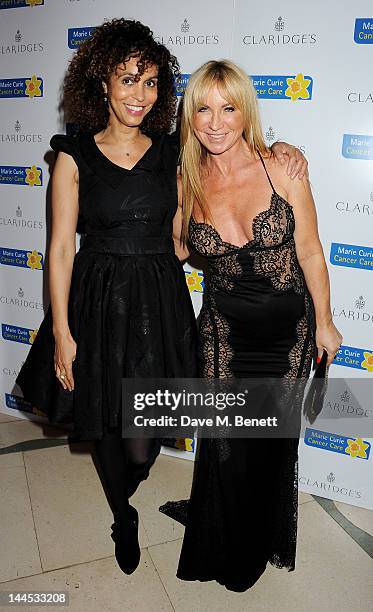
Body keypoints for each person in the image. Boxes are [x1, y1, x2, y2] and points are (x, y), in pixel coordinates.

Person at [15, 19, 307, 577]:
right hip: (96, 300)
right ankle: (124, 515)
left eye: (150, 82)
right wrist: (62, 333)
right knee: (103, 419)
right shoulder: (73, 155)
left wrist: (282, 149)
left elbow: (217, 185)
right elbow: (58, 249)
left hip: (159, 301)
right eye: (128, 80)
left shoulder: (175, 152)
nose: (139, 94)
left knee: (142, 444)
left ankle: (132, 488)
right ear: (102, 82)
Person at [167, 60, 342, 592]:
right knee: (226, 441)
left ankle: (259, 531)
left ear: (246, 112)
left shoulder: (282, 168)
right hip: (223, 332)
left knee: (270, 443)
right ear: (189, 114)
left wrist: (327, 323)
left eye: (228, 108)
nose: (216, 122)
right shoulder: (186, 176)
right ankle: (226, 541)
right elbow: (179, 247)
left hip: (287, 336)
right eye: (203, 108)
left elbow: (310, 251)